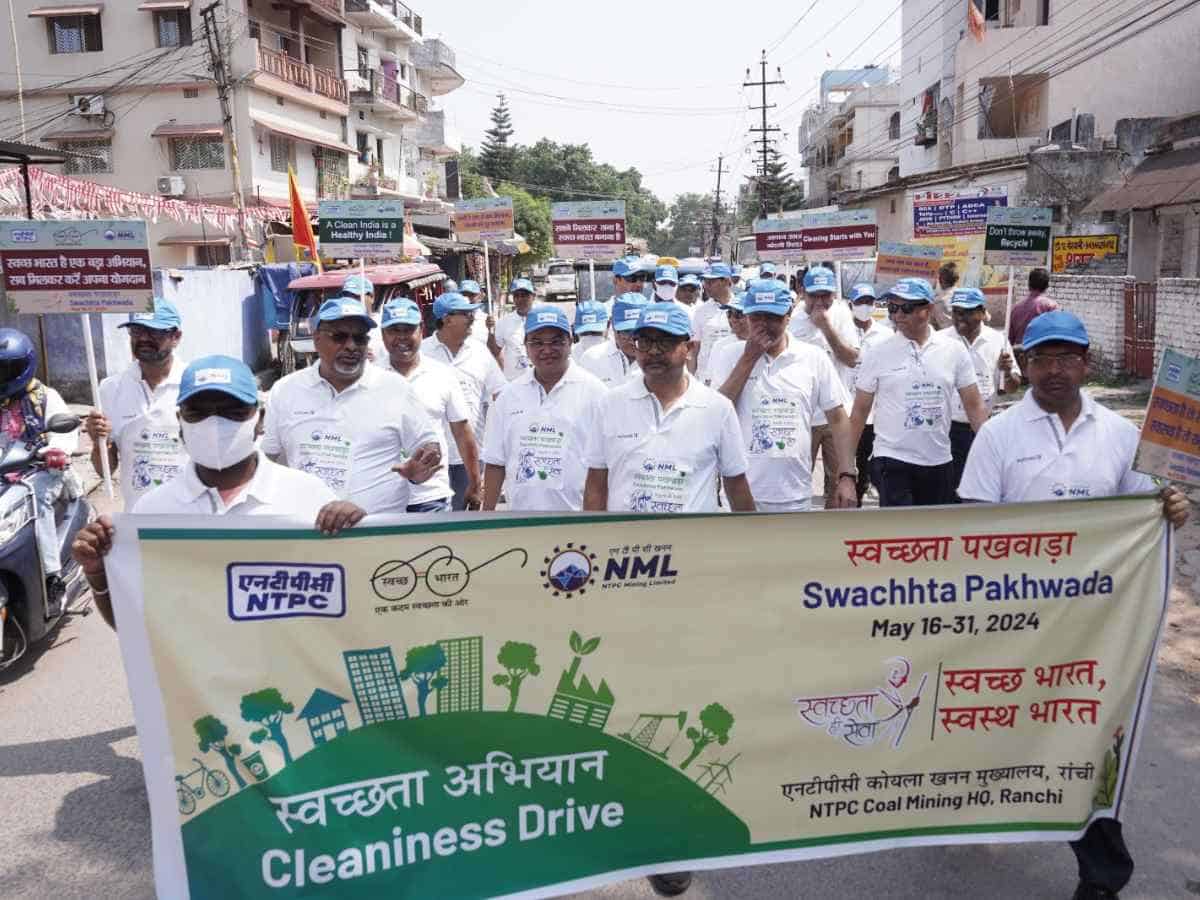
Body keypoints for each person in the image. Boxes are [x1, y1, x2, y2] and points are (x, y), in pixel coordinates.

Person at [957, 310, 1188, 900]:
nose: (1053, 370)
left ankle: (1102, 872)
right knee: (997, 735)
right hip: (1014, 623)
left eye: (1065, 358)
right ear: (1025, 365)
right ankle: (957, 807)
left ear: (1086, 363)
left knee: (1085, 745)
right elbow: (974, 534)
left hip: (1093, 630)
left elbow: (1145, 514)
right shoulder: (999, 435)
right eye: (1041, 358)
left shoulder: (1118, 433)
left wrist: (1171, 510)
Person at [71, 356, 366, 631]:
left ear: (260, 418)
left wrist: (360, 535)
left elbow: (351, 601)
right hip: (196, 685)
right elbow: (134, 624)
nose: (215, 424)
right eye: (198, 412)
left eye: (233, 411)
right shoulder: (153, 511)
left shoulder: (308, 495)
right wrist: (97, 574)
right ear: (180, 421)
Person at [262, 297, 442, 514]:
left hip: (379, 532)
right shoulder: (285, 391)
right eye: (339, 337)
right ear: (317, 339)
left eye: (359, 339)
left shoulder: (395, 389)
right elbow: (268, 460)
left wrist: (423, 464)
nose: (351, 346)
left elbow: (428, 444)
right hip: (308, 532)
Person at [583, 302, 755, 515]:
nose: (654, 351)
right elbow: (596, 482)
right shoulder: (610, 405)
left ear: (689, 348)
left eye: (665, 342)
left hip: (693, 543)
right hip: (628, 543)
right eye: (645, 342)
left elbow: (736, 483)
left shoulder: (717, 408)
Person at [717, 280, 856, 512]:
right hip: (740, 494)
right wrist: (748, 359)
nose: (763, 326)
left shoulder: (813, 357)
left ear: (789, 315)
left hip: (793, 495)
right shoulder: (729, 355)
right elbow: (718, 411)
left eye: (772, 318)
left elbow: (839, 419)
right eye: (756, 317)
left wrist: (847, 475)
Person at [848, 278, 989, 507]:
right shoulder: (878, 353)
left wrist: (990, 451)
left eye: (907, 308)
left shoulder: (953, 351)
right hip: (892, 460)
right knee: (900, 536)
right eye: (893, 308)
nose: (898, 315)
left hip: (939, 461)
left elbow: (974, 405)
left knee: (933, 535)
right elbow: (859, 413)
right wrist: (847, 468)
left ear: (929, 309)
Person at [482, 307, 606, 512]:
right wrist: (485, 515)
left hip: (578, 522)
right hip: (522, 523)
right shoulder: (508, 397)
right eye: (537, 343)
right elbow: (495, 462)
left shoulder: (596, 394)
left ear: (570, 341)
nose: (547, 350)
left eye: (556, 341)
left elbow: (605, 467)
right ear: (526, 346)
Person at [0, 329, 79, 617]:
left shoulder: (45, 396)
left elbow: (66, 432)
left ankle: (51, 576)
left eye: (8, 369)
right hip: (2, 475)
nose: (3, 375)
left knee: (38, 502)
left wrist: (57, 452)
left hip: (41, 472)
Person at [377, 299, 483, 512]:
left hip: (431, 497)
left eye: (408, 330)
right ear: (382, 334)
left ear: (421, 330)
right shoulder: (369, 378)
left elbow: (462, 433)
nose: (402, 338)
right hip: (382, 499)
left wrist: (474, 482)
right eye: (394, 330)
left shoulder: (442, 374)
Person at [85, 297, 188, 509]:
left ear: (176, 337)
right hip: (138, 517)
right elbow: (105, 469)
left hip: (192, 515)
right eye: (137, 331)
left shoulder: (194, 384)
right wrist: (98, 443)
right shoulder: (111, 388)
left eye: (154, 332)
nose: (143, 339)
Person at [423, 291, 507, 509]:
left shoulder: (479, 352)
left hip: (470, 458)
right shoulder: (422, 353)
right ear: (447, 319)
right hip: (429, 460)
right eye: (465, 314)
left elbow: (502, 395)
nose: (472, 319)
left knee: (466, 527)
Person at [934, 287, 1020, 495]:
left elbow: (1011, 387)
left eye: (967, 312)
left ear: (982, 312)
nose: (960, 318)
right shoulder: (939, 341)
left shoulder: (998, 340)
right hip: (947, 429)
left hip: (984, 428)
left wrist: (1007, 371)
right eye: (956, 312)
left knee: (981, 488)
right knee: (949, 489)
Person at [789, 266, 860, 508]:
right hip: (802, 417)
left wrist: (827, 328)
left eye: (825, 295)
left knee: (839, 482)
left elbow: (852, 359)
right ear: (802, 293)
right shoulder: (792, 320)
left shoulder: (841, 314)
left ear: (834, 295)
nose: (820, 302)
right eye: (814, 296)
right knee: (796, 482)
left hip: (835, 416)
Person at [847, 284, 892, 505]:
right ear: (850, 305)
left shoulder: (885, 334)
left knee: (865, 461)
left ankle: (859, 496)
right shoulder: (841, 330)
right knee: (843, 462)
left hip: (872, 412)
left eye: (869, 302)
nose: (865, 307)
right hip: (844, 409)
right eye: (860, 302)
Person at [578, 293, 645, 388]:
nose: (632, 340)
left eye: (639, 332)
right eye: (626, 332)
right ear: (613, 325)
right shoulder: (591, 359)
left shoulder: (659, 362)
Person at [694, 263, 736, 383]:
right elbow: (695, 348)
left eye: (711, 282)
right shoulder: (700, 311)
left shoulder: (741, 310)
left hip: (731, 376)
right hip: (704, 378)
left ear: (726, 281)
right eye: (705, 281)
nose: (706, 286)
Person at [491, 277, 535, 380]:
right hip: (514, 380)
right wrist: (490, 332)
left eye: (524, 295)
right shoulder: (504, 322)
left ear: (533, 296)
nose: (520, 299)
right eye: (516, 296)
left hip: (539, 380)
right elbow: (495, 350)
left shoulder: (542, 318)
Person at [1008, 266, 1057, 350]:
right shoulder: (1050, 306)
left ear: (1029, 285)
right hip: (1041, 354)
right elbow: (1055, 335)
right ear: (1047, 286)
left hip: (1020, 355)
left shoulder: (1016, 308)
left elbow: (1009, 340)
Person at [931, 261, 959, 330]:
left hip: (949, 332)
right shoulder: (959, 293)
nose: (938, 280)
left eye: (940, 278)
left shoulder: (941, 301)